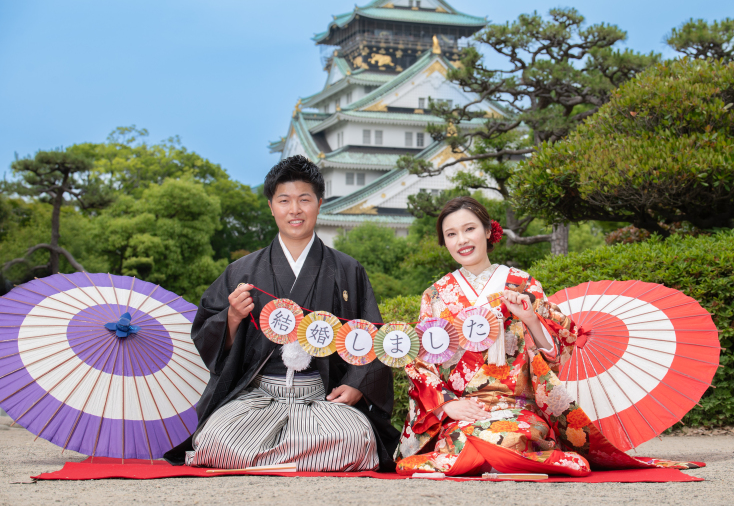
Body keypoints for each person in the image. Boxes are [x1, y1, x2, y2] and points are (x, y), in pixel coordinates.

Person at [394, 196, 701, 476]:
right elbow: (422, 363)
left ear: (489, 231)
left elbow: (552, 357)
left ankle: (493, 459)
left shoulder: (522, 283)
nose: (462, 240)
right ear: (444, 241)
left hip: (517, 406)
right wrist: (447, 406)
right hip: (466, 407)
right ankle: (500, 459)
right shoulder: (435, 295)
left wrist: (530, 318)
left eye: (469, 229)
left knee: (514, 436)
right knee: (461, 438)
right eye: (451, 234)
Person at [164, 156, 399, 471]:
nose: (295, 210)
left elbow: (371, 333)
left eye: (304, 200)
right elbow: (208, 333)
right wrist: (232, 317)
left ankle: (265, 459)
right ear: (272, 207)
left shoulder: (347, 269)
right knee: (215, 439)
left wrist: (358, 383)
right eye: (284, 200)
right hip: (259, 396)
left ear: (319, 203)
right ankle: (307, 460)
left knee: (355, 438)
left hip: (321, 398)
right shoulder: (242, 270)